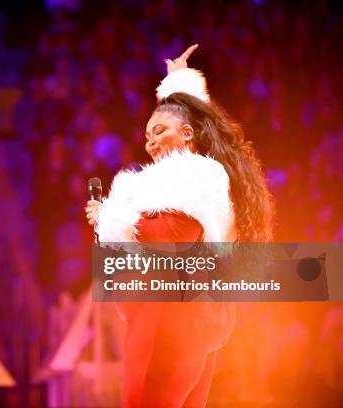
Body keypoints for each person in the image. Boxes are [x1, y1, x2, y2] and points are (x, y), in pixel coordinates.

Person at [85, 44, 274, 407]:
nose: (151, 142)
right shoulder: (199, 173)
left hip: (170, 318)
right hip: (188, 315)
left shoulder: (194, 173)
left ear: (188, 133)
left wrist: (111, 218)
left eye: (159, 131)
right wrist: (178, 85)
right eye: (147, 136)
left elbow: (173, 237)